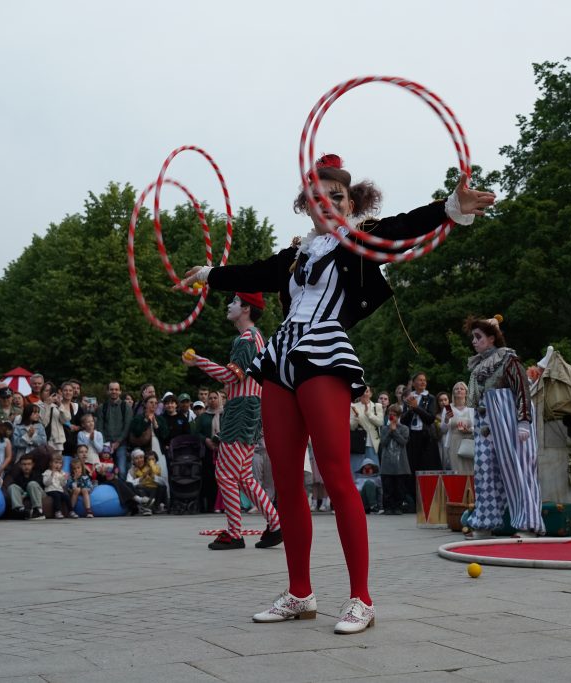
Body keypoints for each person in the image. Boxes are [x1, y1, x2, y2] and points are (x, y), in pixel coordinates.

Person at [178, 152, 495, 633]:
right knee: (286, 480)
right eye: (317, 197)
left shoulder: (357, 241)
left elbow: (403, 227)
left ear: (351, 203)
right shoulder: (296, 255)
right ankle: (299, 592)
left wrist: (451, 206)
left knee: (335, 474)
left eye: (337, 196)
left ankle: (360, 598)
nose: (327, 203)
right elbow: (255, 272)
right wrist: (208, 274)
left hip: (324, 351)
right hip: (281, 356)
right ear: (307, 206)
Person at [183, 292, 281, 550]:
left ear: (246, 309)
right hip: (251, 408)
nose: (229, 305)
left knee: (225, 473)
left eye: (235, 302)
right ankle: (275, 524)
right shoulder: (256, 337)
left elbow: (230, 376)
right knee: (244, 475)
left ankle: (235, 534)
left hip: (241, 409)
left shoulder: (246, 339)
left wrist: (199, 361)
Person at [461, 316, 544, 539]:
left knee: (519, 471)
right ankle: (484, 523)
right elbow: (475, 400)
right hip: (485, 428)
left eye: (478, 337)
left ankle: (528, 525)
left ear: (491, 338)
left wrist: (524, 421)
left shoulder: (508, 360)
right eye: (473, 337)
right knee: (485, 474)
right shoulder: (477, 367)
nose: (474, 341)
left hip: (509, 425)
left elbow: (522, 390)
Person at [401, 372, 441, 481]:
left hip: (426, 437)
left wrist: (416, 408)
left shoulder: (430, 398)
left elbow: (430, 418)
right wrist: (411, 410)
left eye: (424, 380)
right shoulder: (409, 398)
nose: (423, 382)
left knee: (427, 467)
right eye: (420, 380)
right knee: (412, 467)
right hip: (412, 437)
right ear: (414, 383)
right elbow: (403, 421)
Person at [192, 391, 223, 513]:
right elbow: (196, 433)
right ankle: (210, 505)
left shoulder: (225, 414)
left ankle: (224, 505)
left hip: (224, 450)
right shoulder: (203, 416)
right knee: (209, 478)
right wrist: (206, 440)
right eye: (210, 398)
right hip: (208, 452)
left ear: (220, 399)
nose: (213, 400)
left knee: (224, 479)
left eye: (215, 398)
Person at [378, 404, 411, 515]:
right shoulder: (384, 428)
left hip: (400, 464)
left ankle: (398, 507)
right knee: (388, 487)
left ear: (398, 416)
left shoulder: (404, 428)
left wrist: (395, 431)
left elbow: (403, 442)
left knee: (399, 488)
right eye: (390, 415)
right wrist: (390, 431)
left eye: (394, 415)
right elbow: (383, 443)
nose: (392, 417)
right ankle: (388, 507)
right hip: (387, 463)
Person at [96, 381, 131, 480]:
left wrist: (118, 442)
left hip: (121, 443)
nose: (114, 391)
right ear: (108, 391)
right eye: (111, 389)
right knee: (104, 471)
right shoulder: (102, 407)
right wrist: (105, 443)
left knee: (122, 471)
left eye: (116, 389)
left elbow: (127, 426)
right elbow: (99, 427)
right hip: (106, 444)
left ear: (120, 391)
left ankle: (121, 489)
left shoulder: (126, 407)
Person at [442, 381, 476, 474]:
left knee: (470, 469)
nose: (459, 390)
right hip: (454, 442)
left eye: (462, 389)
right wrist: (446, 419)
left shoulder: (471, 408)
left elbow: (477, 427)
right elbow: (443, 429)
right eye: (456, 389)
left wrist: (469, 430)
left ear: (466, 392)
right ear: (453, 392)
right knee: (457, 470)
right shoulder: (448, 408)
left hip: (469, 442)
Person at [349, 385, 383, 473]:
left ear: (371, 394)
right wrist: (356, 417)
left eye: (367, 391)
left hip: (372, 444)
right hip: (358, 443)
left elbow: (380, 422)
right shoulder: (353, 406)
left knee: (374, 470)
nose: (364, 394)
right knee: (356, 470)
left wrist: (368, 414)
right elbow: (352, 427)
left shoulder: (377, 406)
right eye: (362, 391)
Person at [8, 451, 46, 520]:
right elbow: (17, 490)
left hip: (39, 494)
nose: (26, 466)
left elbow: (36, 488)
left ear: (33, 465)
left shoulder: (37, 474)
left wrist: (25, 495)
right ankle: (20, 510)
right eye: (24, 464)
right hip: (25, 493)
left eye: (29, 464)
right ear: (20, 465)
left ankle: (38, 511)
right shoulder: (18, 476)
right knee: (12, 486)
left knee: (32, 484)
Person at [127, 449, 167, 514]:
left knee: (162, 487)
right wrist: (141, 478)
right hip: (142, 492)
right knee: (140, 489)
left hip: (153, 491)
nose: (139, 460)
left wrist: (154, 477)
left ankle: (156, 507)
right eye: (136, 458)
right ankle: (145, 507)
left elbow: (163, 482)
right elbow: (129, 484)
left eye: (141, 457)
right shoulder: (131, 471)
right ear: (133, 461)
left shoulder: (153, 467)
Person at [43, 453, 70, 518]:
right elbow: (46, 483)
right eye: (56, 462)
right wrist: (51, 475)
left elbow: (63, 484)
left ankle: (71, 511)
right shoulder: (47, 472)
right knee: (56, 496)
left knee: (66, 497)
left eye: (60, 463)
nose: (58, 465)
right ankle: (57, 512)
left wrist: (64, 479)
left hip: (59, 490)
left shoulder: (61, 472)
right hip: (50, 490)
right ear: (50, 463)